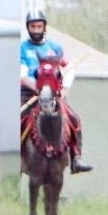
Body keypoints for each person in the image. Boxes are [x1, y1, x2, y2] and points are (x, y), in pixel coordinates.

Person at [20, 10, 92, 174]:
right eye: (33, 27)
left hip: (52, 95)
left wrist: (64, 88)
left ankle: (76, 157)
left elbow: (68, 68)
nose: (36, 30)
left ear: (44, 27)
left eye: (39, 26)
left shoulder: (54, 48)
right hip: (28, 94)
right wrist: (37, 88)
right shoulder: (22, 49)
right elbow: (22, 75)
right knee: (16, 121)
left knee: (73, 118)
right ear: (28, 28)